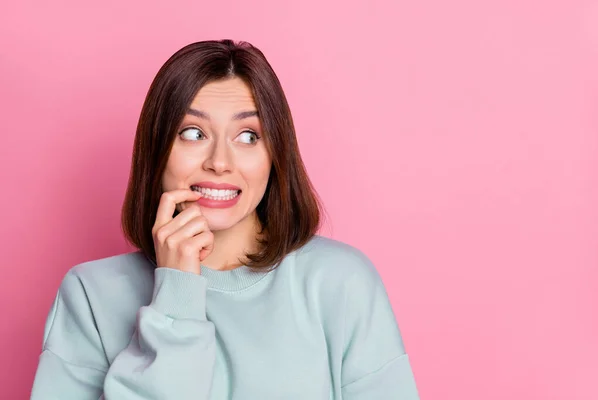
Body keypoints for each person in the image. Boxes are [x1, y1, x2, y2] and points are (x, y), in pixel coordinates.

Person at [30, 39, 420, 399]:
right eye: (193, 132)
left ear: (275, 155)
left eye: (248, 136)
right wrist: (177, 295)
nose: (219, 162)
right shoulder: (90, 295)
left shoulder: (341, 283)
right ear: (158, 149)